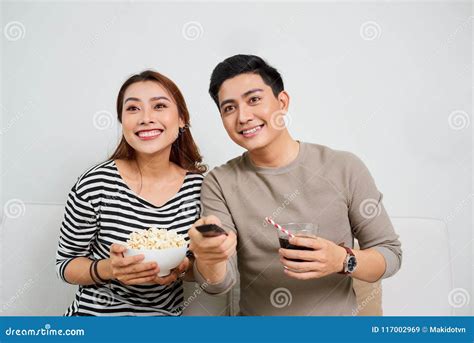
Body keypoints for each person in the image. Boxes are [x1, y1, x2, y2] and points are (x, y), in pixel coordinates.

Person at [189, 55, 402, 316]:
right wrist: (210, 258)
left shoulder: (344, 167)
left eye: (254, 99)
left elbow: (390, 255)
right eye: (229, 108)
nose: (243, 116)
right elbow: (218, 284)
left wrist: (342, 259)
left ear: (282, 102)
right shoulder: (219, 182)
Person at [55, 70, 206, 316]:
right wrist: (109, 269)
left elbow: (203, 266)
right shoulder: (95, 184)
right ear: (122, 121)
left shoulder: (199, 188)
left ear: (181, 119)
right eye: (133, 109)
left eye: (159, 106)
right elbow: (65, 265)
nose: (146, 118)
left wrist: (182, 268)